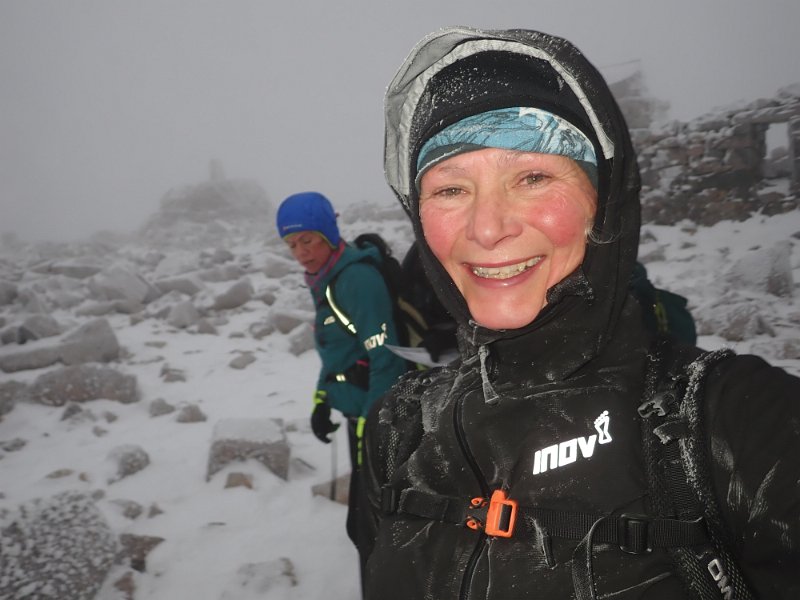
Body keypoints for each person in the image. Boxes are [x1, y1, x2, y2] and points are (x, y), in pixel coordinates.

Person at [360, 27, 800, 599]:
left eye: (533, 177)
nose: (487, 229)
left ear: (604, 200)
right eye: (450, 189)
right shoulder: (397, 430)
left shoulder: (741, 423)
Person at [275, 191, 409, 584]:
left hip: (380, 421)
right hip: (359, 417)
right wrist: (322, 399)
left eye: (308, 240)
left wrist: (373, 422)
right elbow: (340, 353)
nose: (301, 252)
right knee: (363, 525)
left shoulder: (356, 280)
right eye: (292, 244)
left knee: (374, 528)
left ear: (329, 234)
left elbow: (385, 355)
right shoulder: (325, 279)